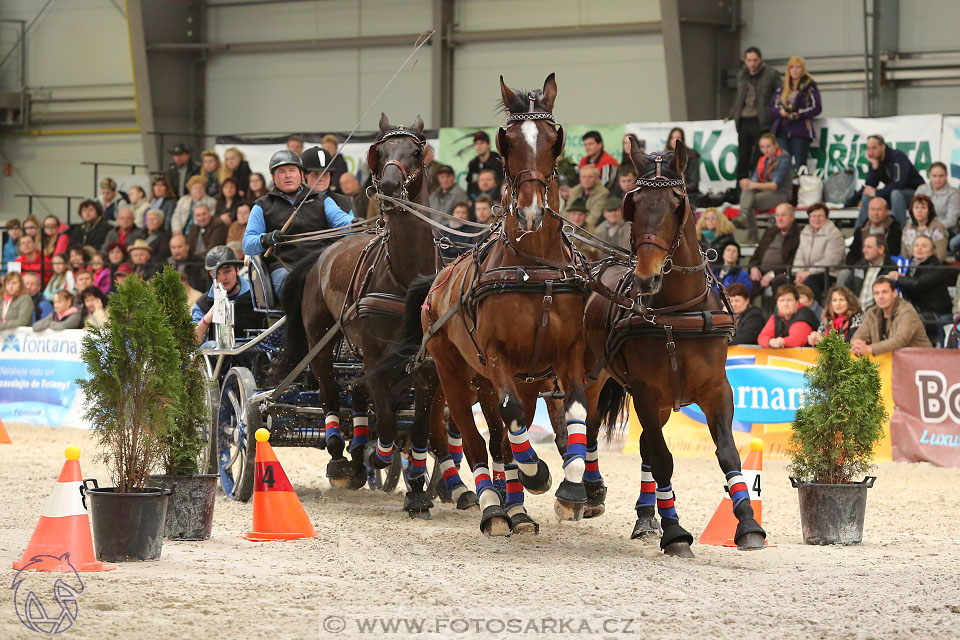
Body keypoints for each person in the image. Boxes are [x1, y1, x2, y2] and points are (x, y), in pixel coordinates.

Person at [243, 148, 353, 295]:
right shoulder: (262, 206)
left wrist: (358, 223)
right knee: (300, 282)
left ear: (301, 174)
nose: (288, 175)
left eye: (292, 170)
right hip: (283, 268)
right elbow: (248, 243)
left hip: (320, 264)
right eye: (281, 171)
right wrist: (267, 239)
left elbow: (342, 221)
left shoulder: (322, 200)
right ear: (273, 177)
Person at [726, 46, 781, 183]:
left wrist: (775, 111)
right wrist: (732, 114)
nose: (752, 63)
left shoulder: (771, 74)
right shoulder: (742, 75)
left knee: (759, 156)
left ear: (760, 60)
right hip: (744, 120)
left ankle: (757, 184)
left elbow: (780, 93)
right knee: (743, 157)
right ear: (745, 60)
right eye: (749, 60)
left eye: (755, 60)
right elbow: (739, 98)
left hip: (761, 120)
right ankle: (740, 190)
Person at [192, 246, 265, 345]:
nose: (223, 278)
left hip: (255, 353)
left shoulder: (256, 294)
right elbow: (193, 342)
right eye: (217, 273)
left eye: (227, 271)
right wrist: (208, 317)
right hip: (219, 358)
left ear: (237, 269)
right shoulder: (203, 303)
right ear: (210, 274)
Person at [733, 133, 794, 243]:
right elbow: (755, 180)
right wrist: (748, 184)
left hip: (781, 193)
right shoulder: (762, 160)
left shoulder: (784, 158)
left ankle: (749, 227)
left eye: (768, 146)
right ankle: (743, 216)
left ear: (776, 145)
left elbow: (775, 185)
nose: (765, 150)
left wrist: (752, 184)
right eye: (762, 147)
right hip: (764, 192)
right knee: (748, 191)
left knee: (749, 201)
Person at [856, 134, 925, 228]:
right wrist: (874, 167)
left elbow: (900, 183)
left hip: (914, 193)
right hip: (894, 194)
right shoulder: (875, 160)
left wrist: (877, 193)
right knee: (867, 195)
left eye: (874, 148)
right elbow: (870, 186)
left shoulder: (897, 156)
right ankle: (860, 234)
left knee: (896, 194)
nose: (871, 152)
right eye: (868, 148)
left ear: (883, 147)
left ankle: (898, 233)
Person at [851, 277, 931, 355]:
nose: (880, 297)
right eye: (876, 293)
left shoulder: (906, 311)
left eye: (884, 292)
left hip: (919, 360)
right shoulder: (872, 312)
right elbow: (859, 336)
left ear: (895, 293)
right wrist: (857, 345)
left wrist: (870, 349)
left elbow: (900, 340)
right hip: (889, 361)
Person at [769, 56, 822, 170]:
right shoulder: (781, 88)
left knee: (800, 165)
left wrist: (799, 114)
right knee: (783, 164)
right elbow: (772, 108)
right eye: (792, 67)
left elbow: (817, 107)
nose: (795, 70)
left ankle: (800, 185)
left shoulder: (810, 87)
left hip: (800, 130)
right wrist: (781, 112)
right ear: (788, 70)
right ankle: (785, 187)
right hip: (782, 131)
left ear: (803, 70)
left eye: (798, 67)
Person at [888, 235, 952, 330]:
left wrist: (899, 278)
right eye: (916, 245)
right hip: (917, 309)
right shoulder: (913, 265)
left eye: (924, 246)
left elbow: (918, 284)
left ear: (931, 252)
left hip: (935, 312)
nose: (919, 248)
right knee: (885, 316)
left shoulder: (935, 266)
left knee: (907, 320)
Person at [792, 202, 844, 300]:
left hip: (829, 273)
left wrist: (808, 273)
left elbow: (831, 262)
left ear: (826, 217)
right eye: (813, 216)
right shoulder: (804, 232)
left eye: (820, 216)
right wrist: (798, 273)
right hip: (806, 272)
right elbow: (799, 255)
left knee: (810, 281)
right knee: (786, 279)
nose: (816, 219)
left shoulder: (834, 234)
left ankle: (815, 312)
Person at [748, 203, 801, 296]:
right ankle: (743, 309)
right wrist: (753, 267)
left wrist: (772, 274)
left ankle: (777, 310)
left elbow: (792, 262)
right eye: (777, 215)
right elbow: (757, 254)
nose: (779, 219)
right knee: (743, 282)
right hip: (761, 271)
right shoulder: (770, 232)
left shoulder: (798, 235)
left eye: (783, 215)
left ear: (792, 217)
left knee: (779, 281)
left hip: (784, 272)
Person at [758, 284, 819, 348]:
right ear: (777, 304)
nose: (785, 304)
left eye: (789, 300)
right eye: (782, 300)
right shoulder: (776, 316)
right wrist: (770, 341)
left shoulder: (804, 314)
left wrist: (782, 342)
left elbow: (797, 340)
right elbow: (762, 337)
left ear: (797, 302)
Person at [845, 233, 895, 310]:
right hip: (855, 311)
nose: (864, 250)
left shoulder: (890, 268)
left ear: (881, 249)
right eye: (864, 247)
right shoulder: (860, 265)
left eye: (869, 247)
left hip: (876, 313)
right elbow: (848, 287)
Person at [846, 196, 902, 265]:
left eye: (879, 209)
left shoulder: (895, 230)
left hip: (886, 268)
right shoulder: (860, 230)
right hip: (862, 267)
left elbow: (894, 254)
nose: (875, 213)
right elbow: (853, 254)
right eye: (872, 209)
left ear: (887, 211)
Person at [916, 161, 959, 239]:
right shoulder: (921, 189)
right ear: (929, 176)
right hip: (923, 227)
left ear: (946, 176)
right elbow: (913, 211)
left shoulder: (954, 193)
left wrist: (930, 227)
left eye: (941, 176)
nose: (937, 179)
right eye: (934, 176)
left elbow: (951, 220)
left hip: (946, 229)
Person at [901, 193, 948, 261]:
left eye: (923, 207)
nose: (919, 211)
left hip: (932, 267)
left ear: (929, 210)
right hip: (912, 267)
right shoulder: (907, 229)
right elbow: (904, 255)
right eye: (916, 207)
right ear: (912, 210)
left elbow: (941, 255)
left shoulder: (938, 228)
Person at [465, 131, 503, 199]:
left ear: (489, 145)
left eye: (482, 143)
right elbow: (470, 185)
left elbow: (501, 183)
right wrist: (473, 199)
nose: (479, 146)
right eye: (476, 143)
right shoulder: (473, 163)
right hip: (477, 200)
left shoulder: (498, 162)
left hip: (496, 199)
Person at [666, 128, 701, 199]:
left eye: (678, 137)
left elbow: (693, 184)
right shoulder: (663, 157)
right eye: (672, 138)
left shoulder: (692, 156)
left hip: (688, 196)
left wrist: (674, 188)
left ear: (683, 140)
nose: (675, 140)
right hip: (668, 197)